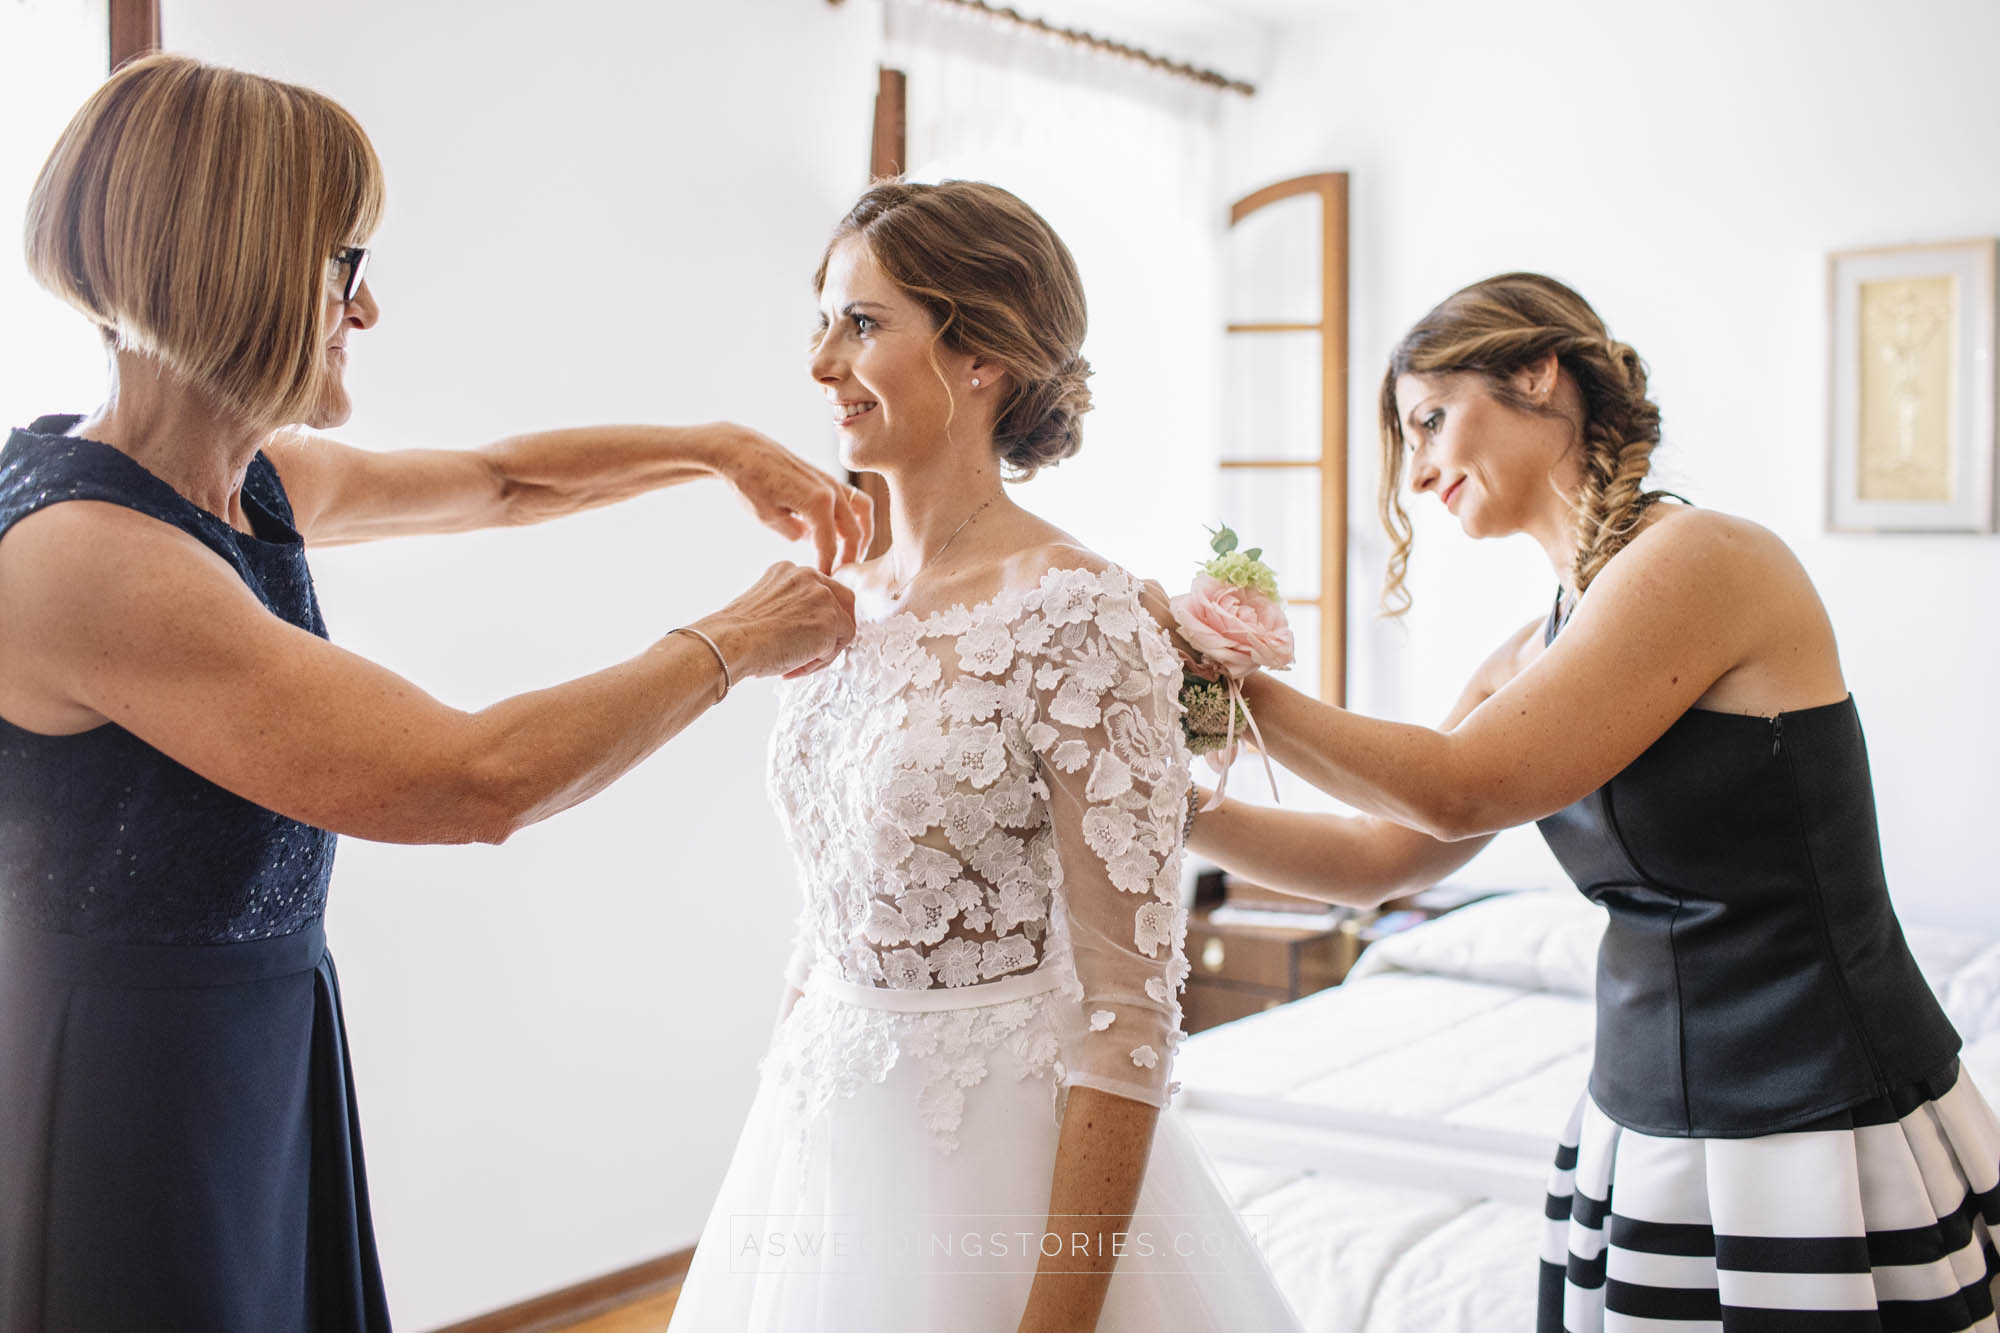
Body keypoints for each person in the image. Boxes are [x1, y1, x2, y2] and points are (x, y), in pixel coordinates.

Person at [0, 53, 862, 1331]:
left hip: (263, 1042)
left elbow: (503, 480)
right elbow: (470, 779)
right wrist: (737, 637)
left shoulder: (246, 476)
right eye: (345, 266)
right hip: (135, 1101)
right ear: (238, 264)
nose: (367, 309)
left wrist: (712, 448)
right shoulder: (90, 560)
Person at [1186, 272, 2000, 1330]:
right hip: (1641, 1125)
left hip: (1812, 1114)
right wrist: (1162, 805)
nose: (1421, 466)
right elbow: (1381, 855)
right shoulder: (1533, 647)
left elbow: (1459, 785)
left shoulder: (1702, 559)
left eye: (1430, 418)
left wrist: (1222, 682)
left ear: (1537, 372)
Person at [666, 180, 1302, 1332]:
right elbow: (827, 916)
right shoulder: (834, 602)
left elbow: (1129, 1009)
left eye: (861, 323)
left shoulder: (1073, 610)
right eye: (820, 321)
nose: (818, 364)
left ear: (983, 359)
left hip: (1003, 1167)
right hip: (820, 1134)